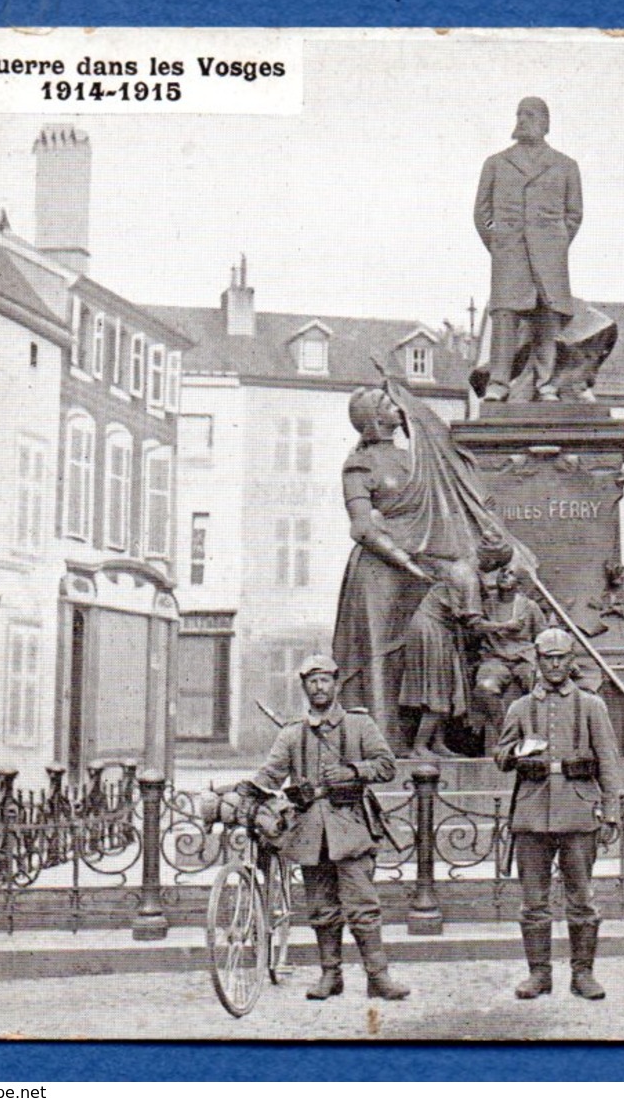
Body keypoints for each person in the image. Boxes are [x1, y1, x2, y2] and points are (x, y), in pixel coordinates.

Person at [332, 383, 531, 754]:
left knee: (432, 651)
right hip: (383, 569)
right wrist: (405, 561)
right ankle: (383, 744)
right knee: (383, 655)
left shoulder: (418, 458)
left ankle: (431, 739)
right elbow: (361, 526)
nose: (396, 406)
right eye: (387, 402)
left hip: (425, 565)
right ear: (373, 418)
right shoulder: (359, 463)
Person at [248, 655, 409, 1001]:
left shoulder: (360, 725)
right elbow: (271, 774)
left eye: (325, 681)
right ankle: (330, 975)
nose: (319, 687)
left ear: (336, 684)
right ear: (304, 686)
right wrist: (245, 791)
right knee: (321, 910)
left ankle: (378, 977)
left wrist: (353, 771)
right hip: (309, 832)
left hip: (351, 829)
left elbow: (387, 766)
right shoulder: (293, 733)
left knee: (363, 907)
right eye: (312, 681)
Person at [495, 628, 622, 1001]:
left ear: (571, 661)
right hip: (532, 814)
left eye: (561, 657)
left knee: (581, 898)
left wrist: (611, 813)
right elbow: (500, 756)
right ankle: (539, 975)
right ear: (537, 660)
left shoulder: (591, 705)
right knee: (534, 901)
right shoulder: (520, 708)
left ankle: (582, 974)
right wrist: (519, 750)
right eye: (547, 657)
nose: (553, 664)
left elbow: (609, 763)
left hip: (579, 811)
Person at [475, 97, 584, 402]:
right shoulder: (496, 163)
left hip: (550, 257)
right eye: (520, 114)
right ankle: (498, 384)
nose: (523, 120)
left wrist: (555, 244)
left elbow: (574, 215)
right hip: (510, 255)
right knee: (505, 316)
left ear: (545, 123)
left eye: (531, 115)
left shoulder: (566, 166)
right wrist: (500, 247)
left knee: (548, 317)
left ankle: (546, 384)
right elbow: (481, 215)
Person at [397, 539, 517, 757]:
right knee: (436, 689)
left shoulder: (463, 565)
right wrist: (505, 625)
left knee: (446, 687)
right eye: (497, 565)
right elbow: (475, 623)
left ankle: (437, 744)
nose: (496, 570)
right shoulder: (468, 577)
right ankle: (420, 746)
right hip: (432, 631)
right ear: (488, 559)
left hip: (437, 629)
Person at [471, 563, 550, 753]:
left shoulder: (529, 606)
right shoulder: (486, 604)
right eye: (501, 572)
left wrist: (541, 664)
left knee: (537, 685)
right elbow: (475, 627)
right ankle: (505, 734)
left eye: (510, 573)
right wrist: (504, 626)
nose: (504, 576)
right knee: (485, 687)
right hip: (495, 659)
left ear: (519, 582)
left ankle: (535, 737)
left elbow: (543, 636)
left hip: (524, 658)